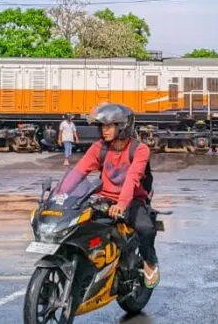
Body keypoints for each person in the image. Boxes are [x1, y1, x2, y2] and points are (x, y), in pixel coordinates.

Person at [68, 102, 160, 289]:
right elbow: (78, 172)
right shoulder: (99, 148)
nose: (104, 130)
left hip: (132, 199)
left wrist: (121, 205)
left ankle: (150, 262)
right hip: (104, 198)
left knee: (146, 229)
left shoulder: (140, 149)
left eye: (109, 126)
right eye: (102, 126)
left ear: (123, 127)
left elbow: (132, 178)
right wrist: (61, 194)